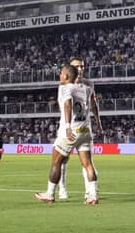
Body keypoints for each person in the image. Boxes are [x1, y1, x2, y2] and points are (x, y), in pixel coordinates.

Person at [34, 64, 99, 204]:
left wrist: (68, 126)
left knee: (56, 162)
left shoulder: (65, 88)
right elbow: (92, 104)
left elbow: (68, 104)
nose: (59, 75)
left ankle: (50, 194)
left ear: (67, 76)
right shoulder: (86, 88)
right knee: (88, 164)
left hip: (70, 131)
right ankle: (93, 196)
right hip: (85, 130)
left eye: (61, 73)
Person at [57, 57, 102, 200]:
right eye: (77, 66)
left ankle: (90, 190)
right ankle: (62, 189)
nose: (80, 69)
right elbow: (65, 105)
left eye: (82, 66)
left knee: (87, 161)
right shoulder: (64, 86)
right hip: (67, 128)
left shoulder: (89, 84)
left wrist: (98, 122)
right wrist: (68, 125)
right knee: (63, 160)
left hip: (83, 128)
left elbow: (93, 104)